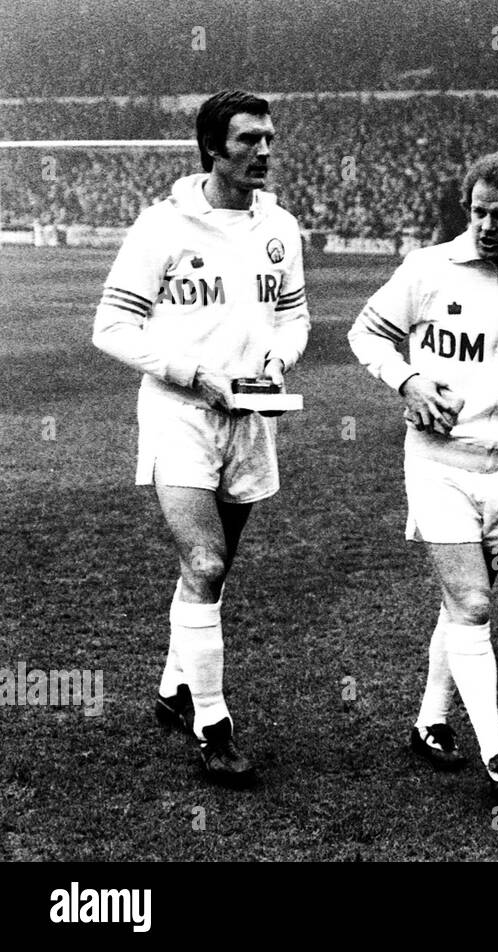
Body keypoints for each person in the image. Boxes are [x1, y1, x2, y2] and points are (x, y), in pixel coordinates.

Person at [348, 151, 498, 805]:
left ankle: (429, 721)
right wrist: (408, 378)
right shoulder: (429, 268)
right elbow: (365, 334)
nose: (485, 225)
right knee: (473, 605)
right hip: (437, 466)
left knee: (462, 607)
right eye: (477, 211)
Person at [92, 90, 310, 788]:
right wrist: (193, 373)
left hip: (248, 417)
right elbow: (113, 328)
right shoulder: (162, 228)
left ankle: (171, 687)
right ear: (214, 147)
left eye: (270, 139)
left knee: (211, 575)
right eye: (249, 140)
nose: (265, 152)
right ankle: (214, 726)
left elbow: (294, 318)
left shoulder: (281, 227)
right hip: (179, 411)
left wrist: (280, 358)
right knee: (207, 562)